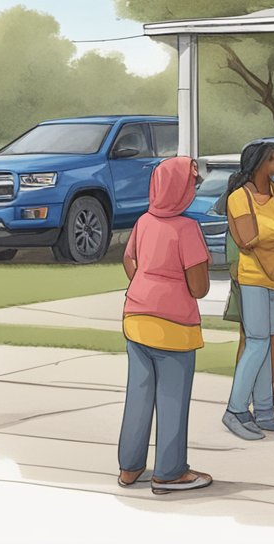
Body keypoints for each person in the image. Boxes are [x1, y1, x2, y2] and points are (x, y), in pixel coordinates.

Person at [117, 156, 213, 494]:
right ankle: (169, 472)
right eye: (193, 183)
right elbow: (199, 287)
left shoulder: (144, 222)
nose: (195, 188)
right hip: (173, 325)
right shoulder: (187, 229)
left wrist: (146, 283)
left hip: (137, 317)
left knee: (139, 397)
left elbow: (129, 260)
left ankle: (130, 468)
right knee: (172, 399)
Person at [222, 142, 274, 440]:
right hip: (253, 276)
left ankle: (264, 410)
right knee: (256, 342)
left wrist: (268, 235)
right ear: (259, 164)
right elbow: (246, 239)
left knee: (270, 339)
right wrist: (269, 235)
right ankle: (236, 410)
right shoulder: (239, 197)